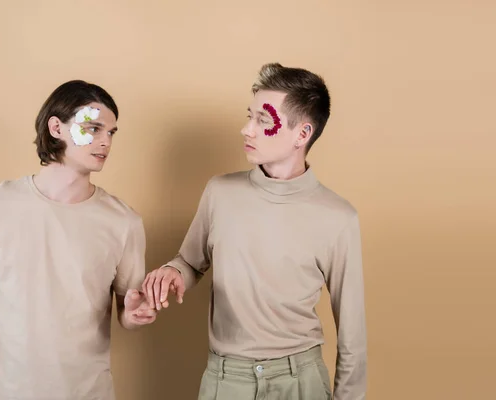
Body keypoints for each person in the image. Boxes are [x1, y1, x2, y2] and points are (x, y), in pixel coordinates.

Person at [142, 63, 367, 400]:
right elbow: (189, 263)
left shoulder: (338, 217)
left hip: (301, 382)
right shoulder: (220, 192)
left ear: (302, 134)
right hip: (226, 380)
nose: (246, 130)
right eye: (249, 117)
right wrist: (173, 271)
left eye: (263, 120)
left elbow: (352, 333)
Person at [0, 80, 156, 400]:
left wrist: (134, 314)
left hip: (89, 392)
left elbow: (127, 312)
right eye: (93, 128)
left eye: (111, 133)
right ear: (57, 127)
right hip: (6, 392)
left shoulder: (124, 222)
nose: (106, 141)